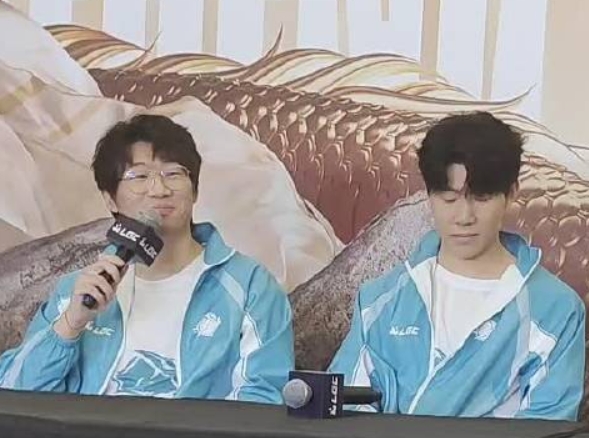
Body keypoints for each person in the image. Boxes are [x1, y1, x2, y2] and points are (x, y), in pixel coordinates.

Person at [0, 114, 294, 403]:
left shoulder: (250, 287)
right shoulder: (78, 291)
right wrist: (70, 325)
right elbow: (15, 394)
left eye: (173, 174)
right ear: (110, 199)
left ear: (194, 191)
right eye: (139, 176)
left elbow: (262, 398)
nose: (159, 190)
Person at [329, 112, 585, 420]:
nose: (464, 217)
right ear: (429, 196)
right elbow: (343, 412)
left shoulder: (556, 310)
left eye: (482, 198)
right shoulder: (379, 301)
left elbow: (548, 424)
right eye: (449, 199)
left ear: (511, 194)